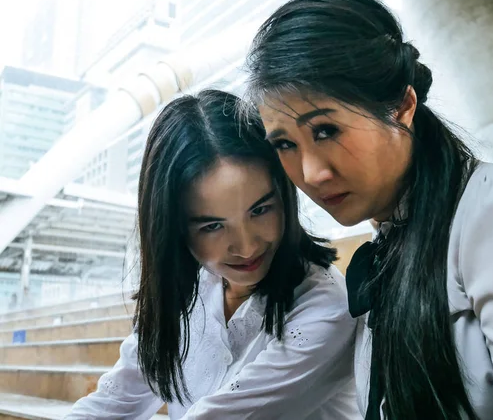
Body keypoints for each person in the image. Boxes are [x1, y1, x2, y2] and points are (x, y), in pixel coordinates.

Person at [241, 0, 493, 419]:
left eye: (325, 130)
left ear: (402, 107)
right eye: (285, 144)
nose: (312, 172)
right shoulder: (393, 240)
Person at [66, 90, 359, 419]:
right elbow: (112, 403)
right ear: (174, 229)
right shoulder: (187, 295)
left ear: (283, 193)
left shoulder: (326, 308)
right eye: (212, 227)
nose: (246, 246)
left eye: (260, 209)